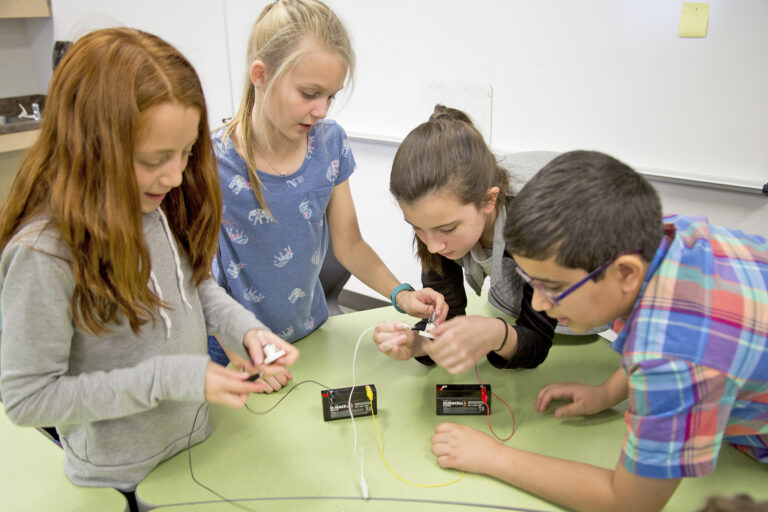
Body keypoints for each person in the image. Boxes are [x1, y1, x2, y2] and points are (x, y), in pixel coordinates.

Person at [0, 27, 298, 501]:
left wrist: (244, 330)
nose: (176, 175)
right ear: (91, 146)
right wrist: (167, 378)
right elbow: (28, 398)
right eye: (156, 159)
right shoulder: (44, 254)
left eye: (186, 153)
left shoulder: (155, 205)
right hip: (122, 481)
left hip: (195, 446)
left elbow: (194, 287)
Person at [431, 150, 768, 512]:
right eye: (532, 281)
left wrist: (494, 457)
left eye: (553, 287)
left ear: (625, 273)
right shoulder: (665, 237)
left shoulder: (674, 361)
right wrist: (609, 392)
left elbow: (628, 503)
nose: (539, 304)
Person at [208, 0, 445, 380]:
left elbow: (349, 245)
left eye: (331, 96)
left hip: (311, 336)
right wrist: (243, 357)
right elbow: (196, 281)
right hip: (237, 354)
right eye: (309, 93)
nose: (322, 110)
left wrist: (401, 295)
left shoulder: (330, 144)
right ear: (261, 75)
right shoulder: (211, 161)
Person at [372, 105, 556, 374]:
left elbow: (537, 340)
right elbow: (446, 318)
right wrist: (417, 344)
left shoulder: (537, 223)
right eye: (417, 228)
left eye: (448, 229)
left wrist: (496, 334)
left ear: (489, 200)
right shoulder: (436, 219)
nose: (433, 246)